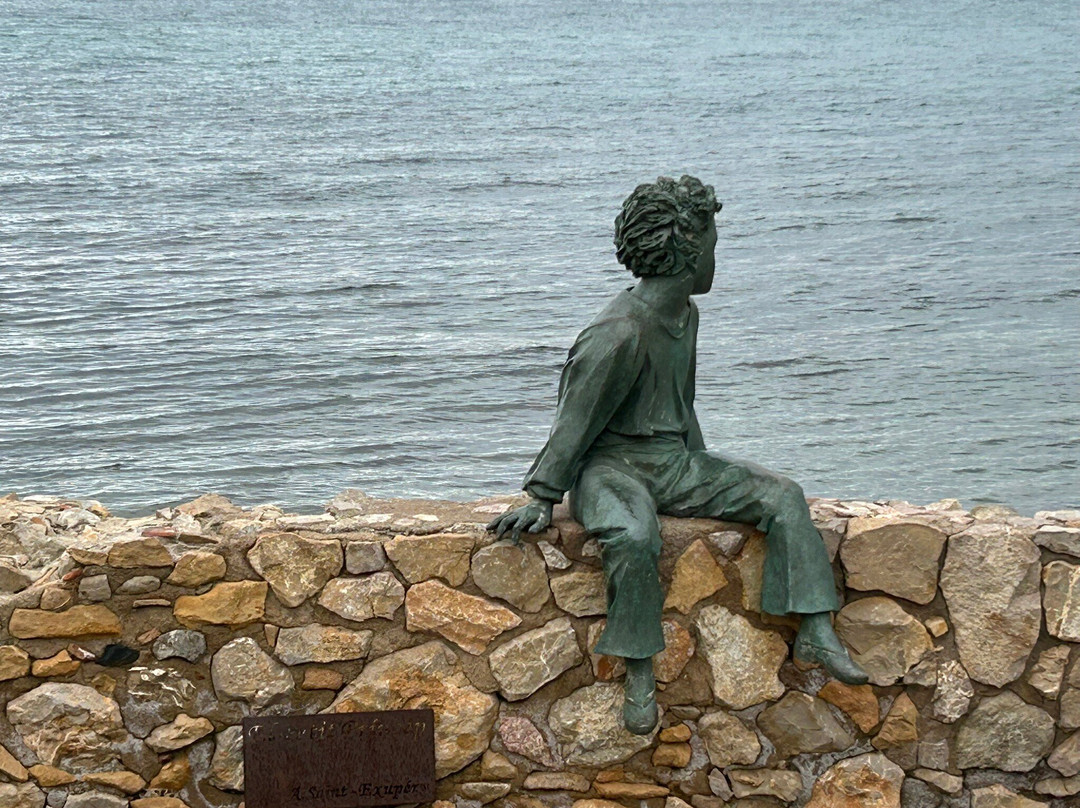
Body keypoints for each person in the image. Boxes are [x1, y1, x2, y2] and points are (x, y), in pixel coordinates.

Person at [488, 176, 867, 735]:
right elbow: (574, 420)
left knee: (783, 495)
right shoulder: (617, 332)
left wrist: (708, 474)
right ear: (688, 249)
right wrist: (542, 496)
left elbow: (681, 405)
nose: (717, 255)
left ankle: (814, 628)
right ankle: (639, 669)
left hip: (673, 461)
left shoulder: (686, 314)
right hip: (609, 470)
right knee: (635, 536)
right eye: (713, 241)